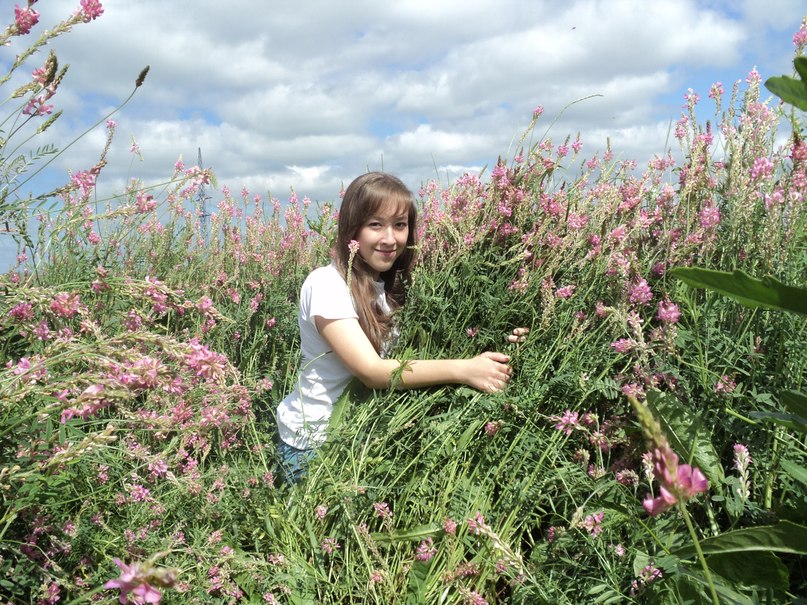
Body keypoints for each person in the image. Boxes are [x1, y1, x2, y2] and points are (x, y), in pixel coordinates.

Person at [275, 172, 528, 483]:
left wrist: (499, 340)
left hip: (358, 437)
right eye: (375, 225)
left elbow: (428, 348)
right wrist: (465, 370)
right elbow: (372, 371)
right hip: (314, 445)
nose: (390, 239)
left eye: (399, 225)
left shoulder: (388, 288)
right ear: (352, 229)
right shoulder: (327, 284)